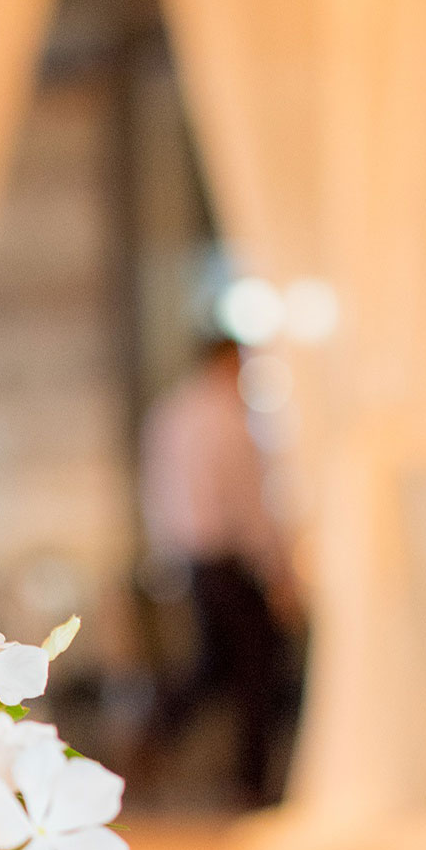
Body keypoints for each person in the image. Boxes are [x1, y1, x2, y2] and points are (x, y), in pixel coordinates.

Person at [136, 336, 301, 807]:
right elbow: (248, 502)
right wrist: (275, 565)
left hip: (194, 558)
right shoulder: (229, 421)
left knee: (218, 667)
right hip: (230, 558)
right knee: (256, 671)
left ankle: (152, 738)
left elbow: (161, 492)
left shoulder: (171, 413)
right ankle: (251, 782)